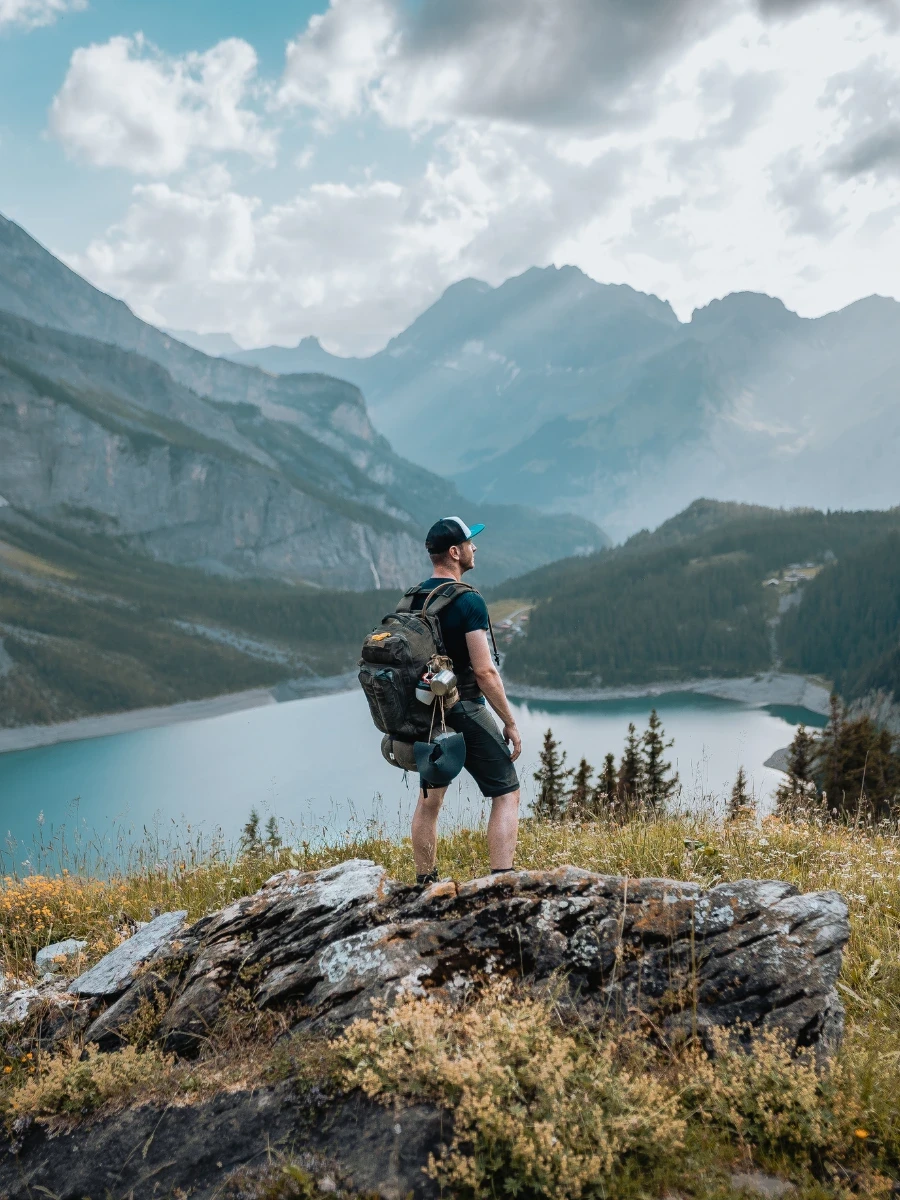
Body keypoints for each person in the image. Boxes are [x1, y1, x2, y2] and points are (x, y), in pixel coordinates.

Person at [408, 516, 522, 885]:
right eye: (471, 542)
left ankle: (426, 884)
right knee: (506, 792)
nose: (476, 548)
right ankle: (501, 882)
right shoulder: (467, 599)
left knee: (429, 801)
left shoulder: (413, 597)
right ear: (455, 553)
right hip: (464, 707)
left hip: (427, 714)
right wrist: (510, 721)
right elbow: (485, 671)